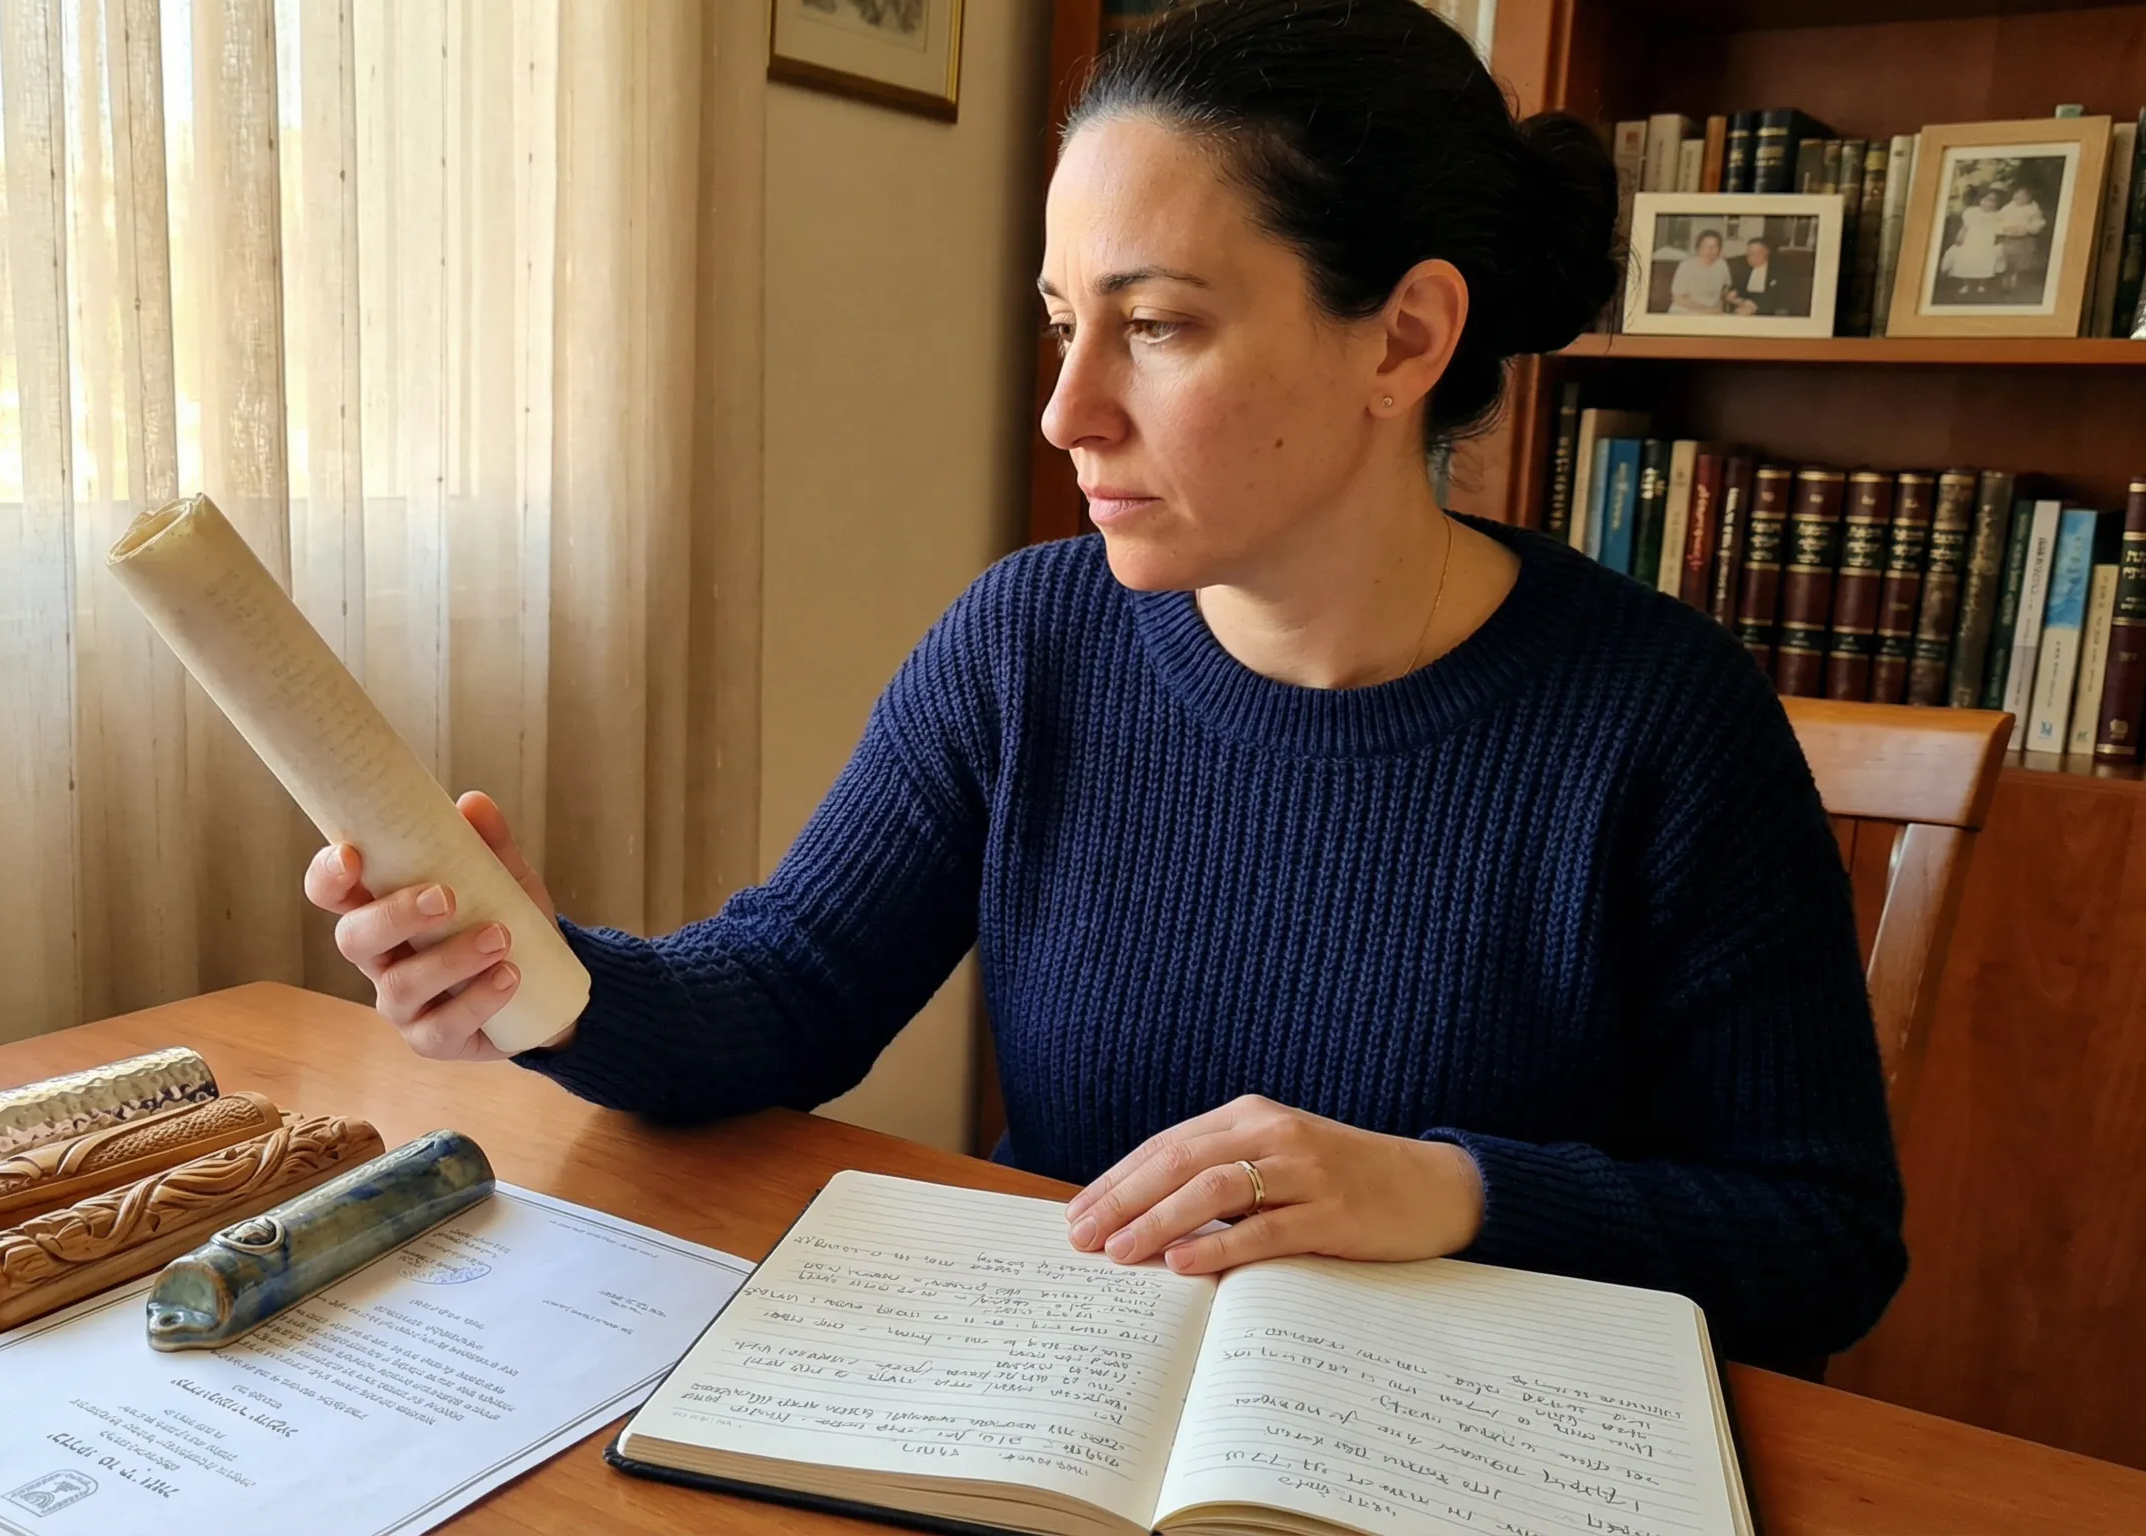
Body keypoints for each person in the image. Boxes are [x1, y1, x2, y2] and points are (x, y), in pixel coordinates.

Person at [305, 0, 1903, 1368]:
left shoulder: (1666, 724)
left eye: (1157, 326)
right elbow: (788, 993)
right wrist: (537, 978)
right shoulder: (1029, 645)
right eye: (1066, 323)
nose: (1068, 410)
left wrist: (1453, 1192)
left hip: (1439, 1453)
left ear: (1404, 338)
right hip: (1056, 1405)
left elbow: (1818, 1239)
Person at [1940, 186, 2007, 299]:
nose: (1989, 203)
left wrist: (1998, 239)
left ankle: (1982, 284)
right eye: (1986, 200)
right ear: (1980, 200)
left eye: (1993, 200)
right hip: (1971, 240)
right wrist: (1960, 236)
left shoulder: (1997, 215)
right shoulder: (1972, 212)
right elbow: (1965, 227)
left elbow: (1999, 230)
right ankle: (1967, 284)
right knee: (1967, 260)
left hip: (1986, 241)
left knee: (1985, 261)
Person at [1995, 185, 2049, 301]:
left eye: (2024, 196)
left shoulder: (2032, 209)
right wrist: (2004, 229)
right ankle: (2005, 285)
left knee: (2020, 262)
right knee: (2006, 261)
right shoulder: (2008, 208)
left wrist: (2026, 228)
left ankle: (2015, 282)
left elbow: (2038, 223)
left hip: (2023, 239)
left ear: (2029, 198)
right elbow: (1998, 220)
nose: (2019, 197)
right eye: (2017, 194)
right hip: (2008, 238)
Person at [1729, 236, 1801, 316]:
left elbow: (1782, 299)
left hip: (1766, 310)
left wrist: (1756, 308)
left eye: (1757, 253)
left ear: (1767, 252)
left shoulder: (1778, 271)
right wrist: (1734, 293)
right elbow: (1735, 289)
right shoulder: (1742, 269)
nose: (1753, 257)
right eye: (1750, 254)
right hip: (1743, 307)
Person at [1667, 229, 1733, 314]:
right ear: (1698, 248)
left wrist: (1729, 297)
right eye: (1706, 246)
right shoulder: (1686, 266)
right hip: (1686, 310)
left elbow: (1724, 290)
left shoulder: (1722, 265)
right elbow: (1678, 299)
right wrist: (1705, 311)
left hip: (1713, 312)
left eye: (1714, 247)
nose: (1710, 250)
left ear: (1719, 249)